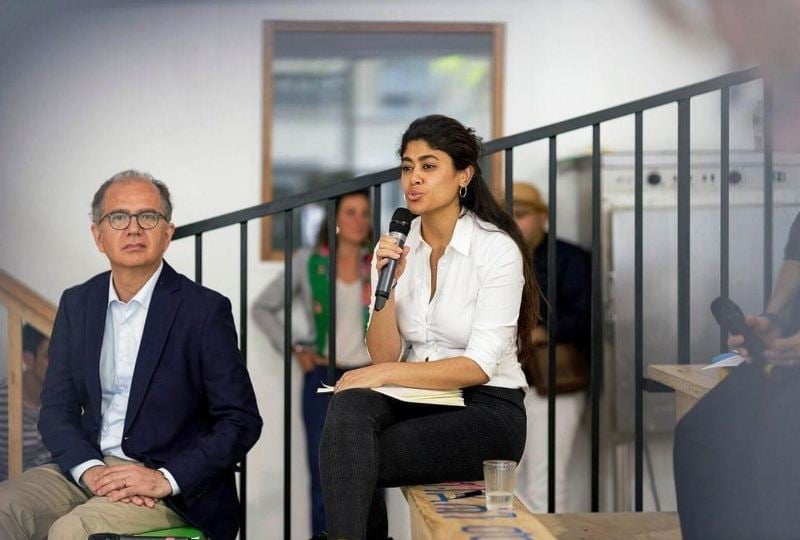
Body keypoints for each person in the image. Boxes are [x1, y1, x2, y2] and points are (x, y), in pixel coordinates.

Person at [0, 170, 263, 540]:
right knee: (5, 508)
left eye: (149, 217)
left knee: (71, 532)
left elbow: (240, 420)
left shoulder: (203, 311)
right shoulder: (77, 304)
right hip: (89, 468)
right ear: (98, 235)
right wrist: (90, 469)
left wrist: (163, 479)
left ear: (167, 233)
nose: (134, 229)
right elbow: (57, 410)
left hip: (168, 487)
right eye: (118, 217)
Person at [318, 114, 539, 539]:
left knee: (350, 455)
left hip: (486, 409)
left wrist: (381, 374)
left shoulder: (496, 250)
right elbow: (382, 354)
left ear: (464, 175)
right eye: (407, 166)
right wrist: (387, 283)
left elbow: (476, 366)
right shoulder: (401, 246)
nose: (413, 179)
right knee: (347, 410)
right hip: (419, 399)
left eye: (428, 165)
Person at [252, 190, 372, 538]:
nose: (358, 219)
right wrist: (294, 347)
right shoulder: (309, 262)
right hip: (322, 376)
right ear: (334, 218)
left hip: (368, 377)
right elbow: (263, 308)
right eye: (350, 211)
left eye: (364, 212)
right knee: (323, 473)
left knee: (371, 472)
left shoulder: (380, 261)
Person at [674, 210, 800, 540]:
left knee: (776, 444)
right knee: (700, 434)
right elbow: (796, 254)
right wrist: (774, 319)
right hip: (789, 359)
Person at [509, 182, 590, 513]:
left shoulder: (570, 258)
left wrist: (542, 332)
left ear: (542, 217)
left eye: (521, 214)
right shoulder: (496, 257)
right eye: (507, 216)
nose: (514, 222)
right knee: (505, 484)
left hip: (554, 382)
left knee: (546, 485)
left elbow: (587, 317)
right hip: (506, 383)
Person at [0, 324, 52, 480]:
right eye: (49, 355)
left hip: (51, 487)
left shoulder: (64, 398)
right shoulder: (4, 400)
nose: (59, 361)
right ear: (28, 359)